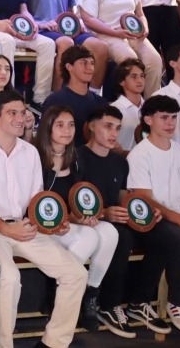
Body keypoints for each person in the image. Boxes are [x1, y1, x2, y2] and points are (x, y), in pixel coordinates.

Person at [0, 89, 87, 348]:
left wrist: (52, 223)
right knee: (9, 277)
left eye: (22, 112)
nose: (20, 119)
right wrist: (5, 230)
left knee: (76, 274)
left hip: (25, 226)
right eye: (12, 113)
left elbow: (36, 199)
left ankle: (52, 343)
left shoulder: (30, 152)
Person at [78, 105, 169, 337]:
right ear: (91, 126)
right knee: (122, 236)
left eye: (117, 128)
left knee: (162, 235)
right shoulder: (77, 158)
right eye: (108, 127)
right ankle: (109, 306)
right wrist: (103, 213)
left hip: (116, 217)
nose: (113, 133)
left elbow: (122, 197)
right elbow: (75, 202)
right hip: (89, 222)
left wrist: (145, 212)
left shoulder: (119, 162)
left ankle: (139, 302)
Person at [126, 95, 180, 334]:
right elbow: (145, 199)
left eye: (173, 117)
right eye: (164, 117)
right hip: (151, 219)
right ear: (148, 120)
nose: (170, 123)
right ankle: (178, 300)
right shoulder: (139, 154)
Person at [34, 105, 119, 331]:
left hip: (68, 222)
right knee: (89, 237)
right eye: (60, 125)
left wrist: (86, 215)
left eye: (71, 125)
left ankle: (89, 294)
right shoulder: (35, 156)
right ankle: (59, 294)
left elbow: (79, 197)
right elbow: (35, 204)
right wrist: (72, 219)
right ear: (48, 127)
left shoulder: (76, 158)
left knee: (110, 232)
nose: (67, 130)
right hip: (43, 224)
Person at [77, 0, 162, 96]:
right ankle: (130, 102)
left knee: (154, 61)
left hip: (133, 35)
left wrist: (145, 27)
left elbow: (140, 14)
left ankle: (151, 103)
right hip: (107, 35)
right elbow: (88, 20)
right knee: (131, 61)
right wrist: (116, 33)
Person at [41, 46, 108, 147]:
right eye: (84, 63)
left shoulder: (101, 103)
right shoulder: (55, 101)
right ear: (69, 67)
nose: (90, 68)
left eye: (92, 63)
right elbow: (45, 137)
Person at [110, 58, 146, 152]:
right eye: (134, 76)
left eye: (142, 76)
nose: (140, 80)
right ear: (122, 81)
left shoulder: (151, 108)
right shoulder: (114, 109)